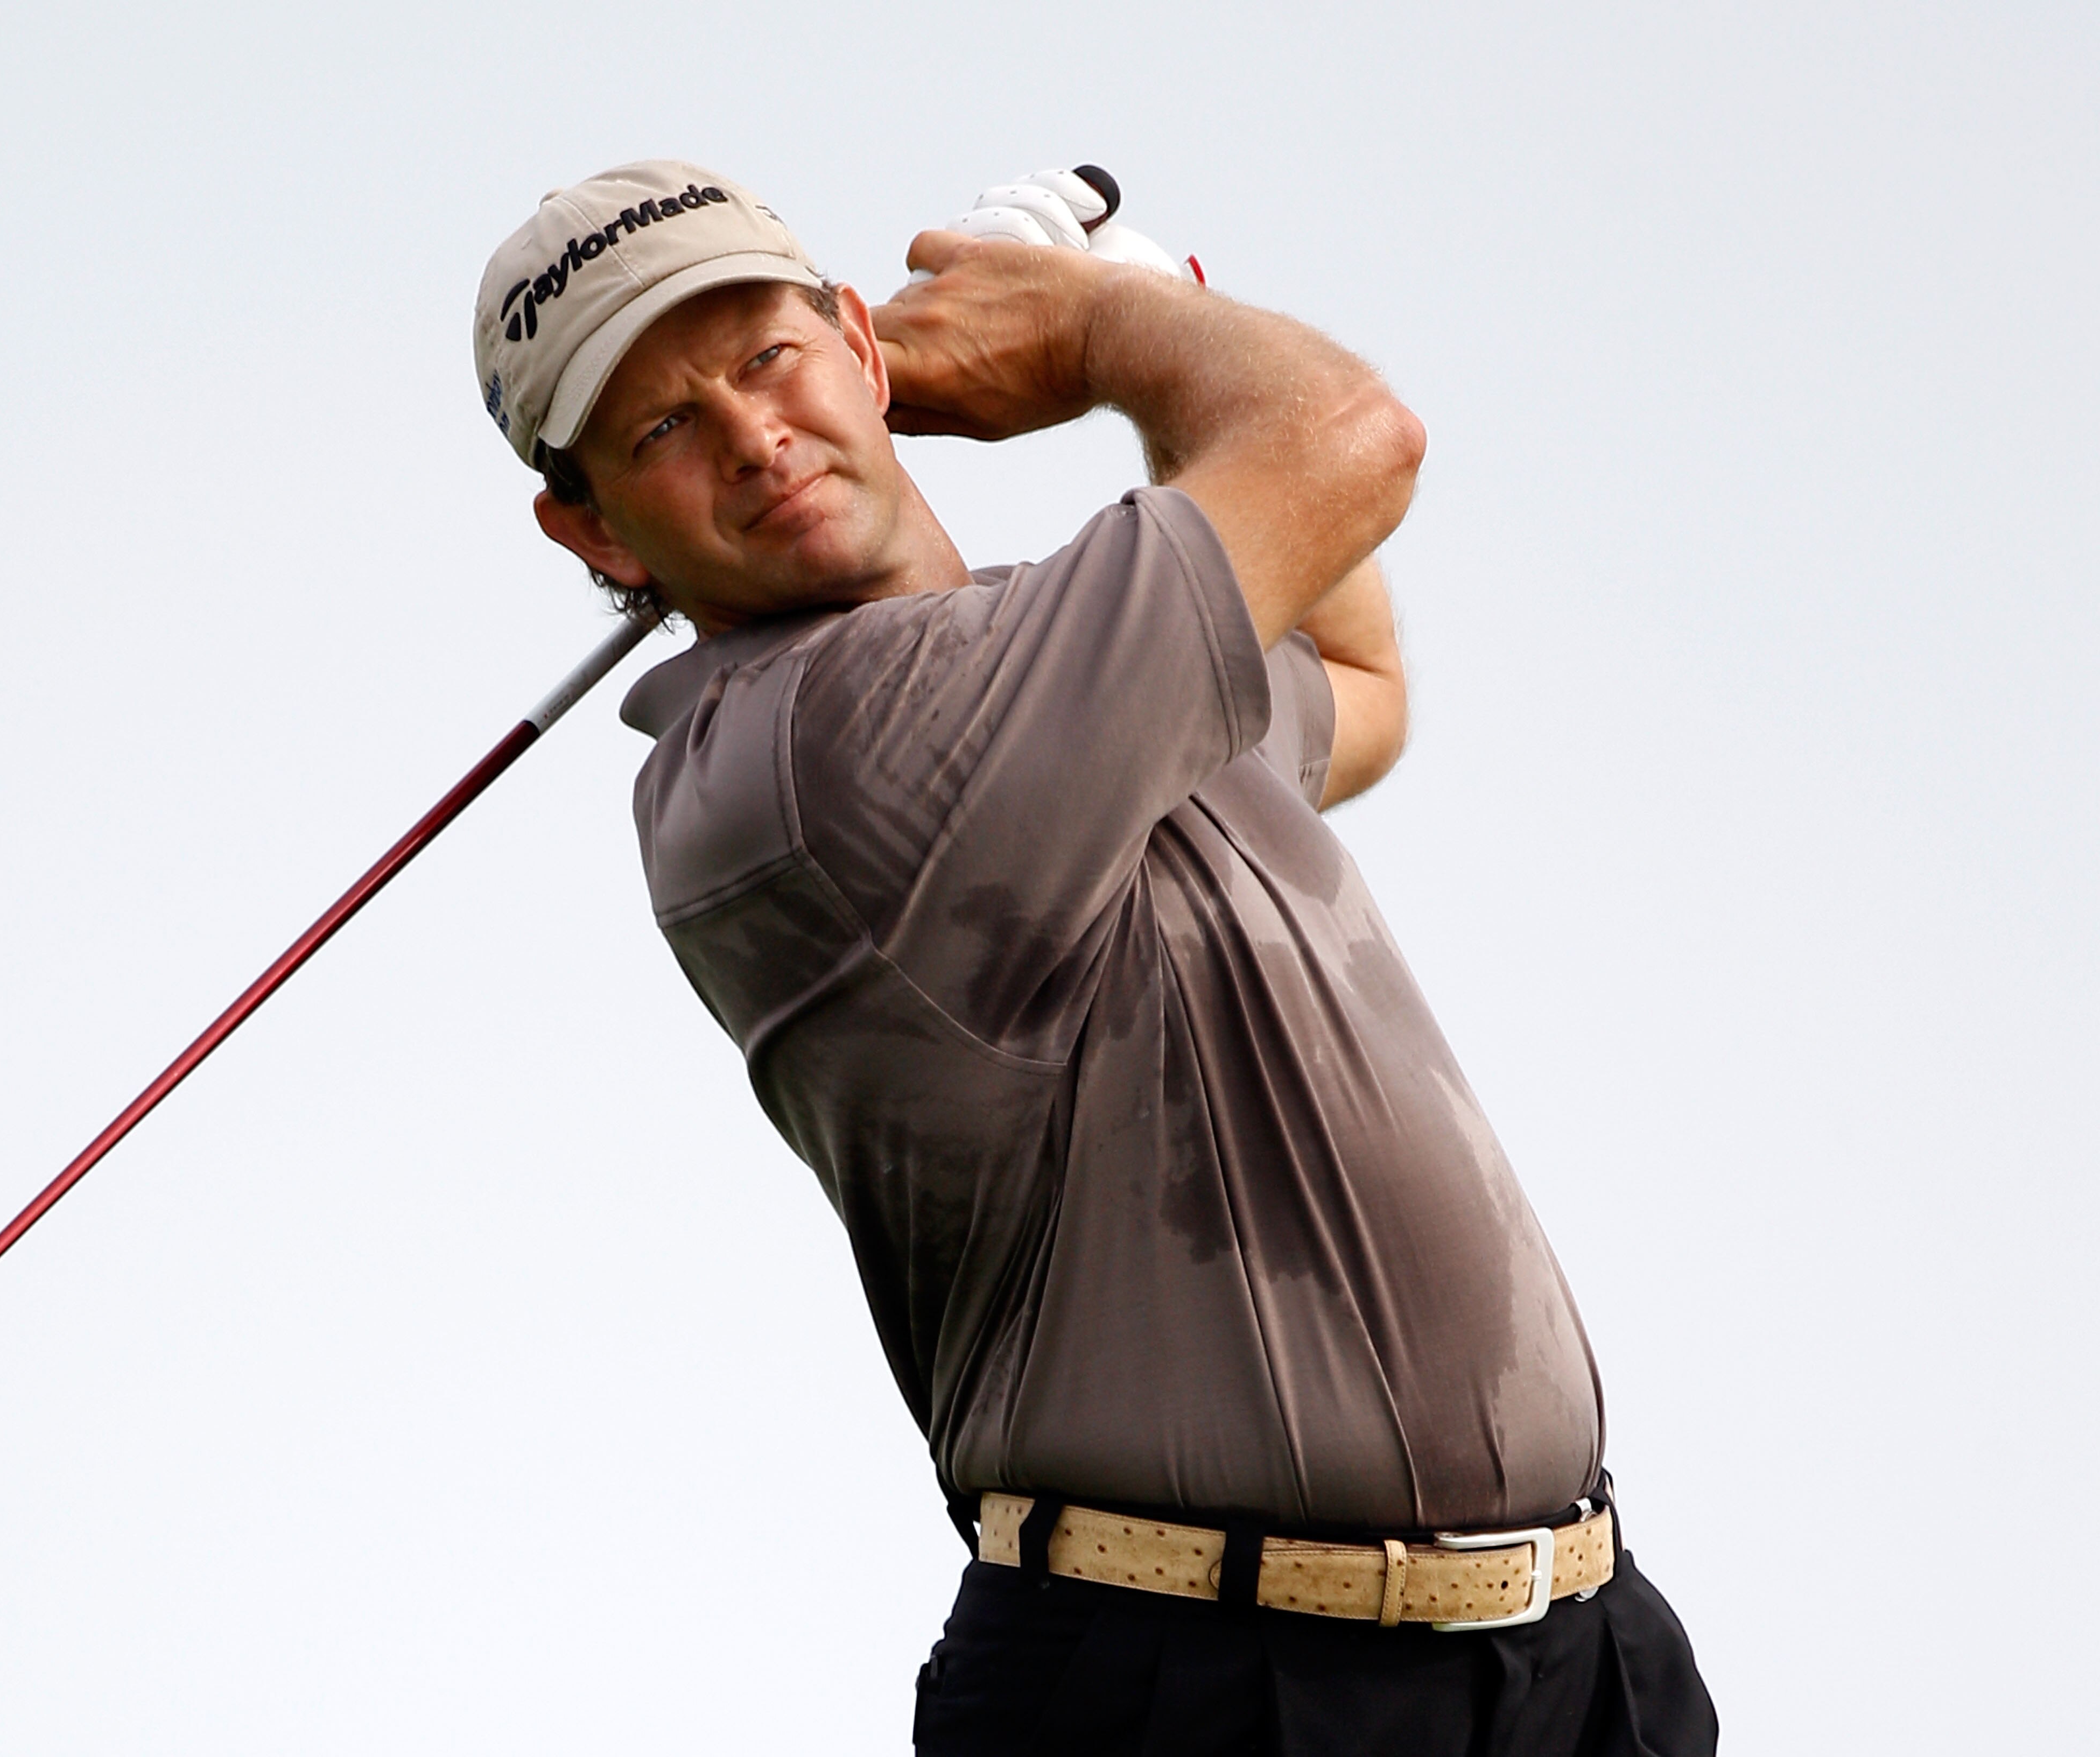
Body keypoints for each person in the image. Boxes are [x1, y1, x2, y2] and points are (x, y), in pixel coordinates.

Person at [472, 159, 1715, 1755]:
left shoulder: (1063, 664)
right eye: (660, 429)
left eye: (770, 357)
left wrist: (1165, 329)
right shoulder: (824, 750)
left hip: (1572, 1657)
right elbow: (1351, 443)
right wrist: (1103, 327)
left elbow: (1355, 672)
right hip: (1194, 1689)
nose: (750, 435)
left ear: (858, 345)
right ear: (591, 528)